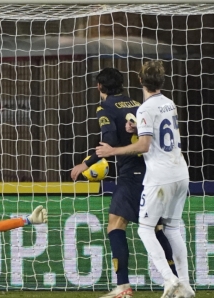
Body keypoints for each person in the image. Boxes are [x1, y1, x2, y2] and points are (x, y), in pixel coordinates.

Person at [70, 67, 177, 298]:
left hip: (131, 175)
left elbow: (108, 140)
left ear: (99, 87)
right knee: (156, 228)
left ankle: (124, 287)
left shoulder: (104, 107)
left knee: (116, 226)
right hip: (152, 170)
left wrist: (86, 164)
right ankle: (174, 279)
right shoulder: (137, 103)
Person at [96, 61, 194, 298]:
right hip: (181, 172)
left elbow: (145, 145)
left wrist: (112, 152)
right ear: (161, 81)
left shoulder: (145, 109)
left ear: (140, 81)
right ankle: (186, 285)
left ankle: (170, 280)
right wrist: (135, 128)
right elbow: (157, 133)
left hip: (159, 176)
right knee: (171, 229)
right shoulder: (169, 103)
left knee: (145, 230)